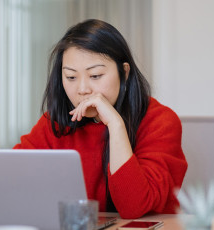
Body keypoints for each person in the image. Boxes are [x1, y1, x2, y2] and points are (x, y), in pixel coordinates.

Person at [13, 19, 187, 219]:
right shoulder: (55, 122)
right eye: (71, 77)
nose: (82, 89)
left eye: (95, 76)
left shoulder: (160, 121)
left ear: (125, 72)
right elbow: (13, 179)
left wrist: (115, 124)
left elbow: (134, 208)